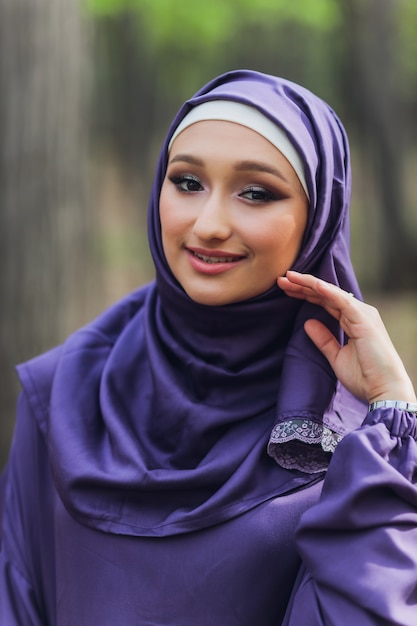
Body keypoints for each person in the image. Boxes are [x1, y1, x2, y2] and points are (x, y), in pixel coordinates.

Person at [1, 69, 416, 625]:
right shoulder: (64, 394)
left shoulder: (358, 433)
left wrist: (392, 419)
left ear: (318, 220)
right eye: (188, 182)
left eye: (256, 192)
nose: (209, 223)